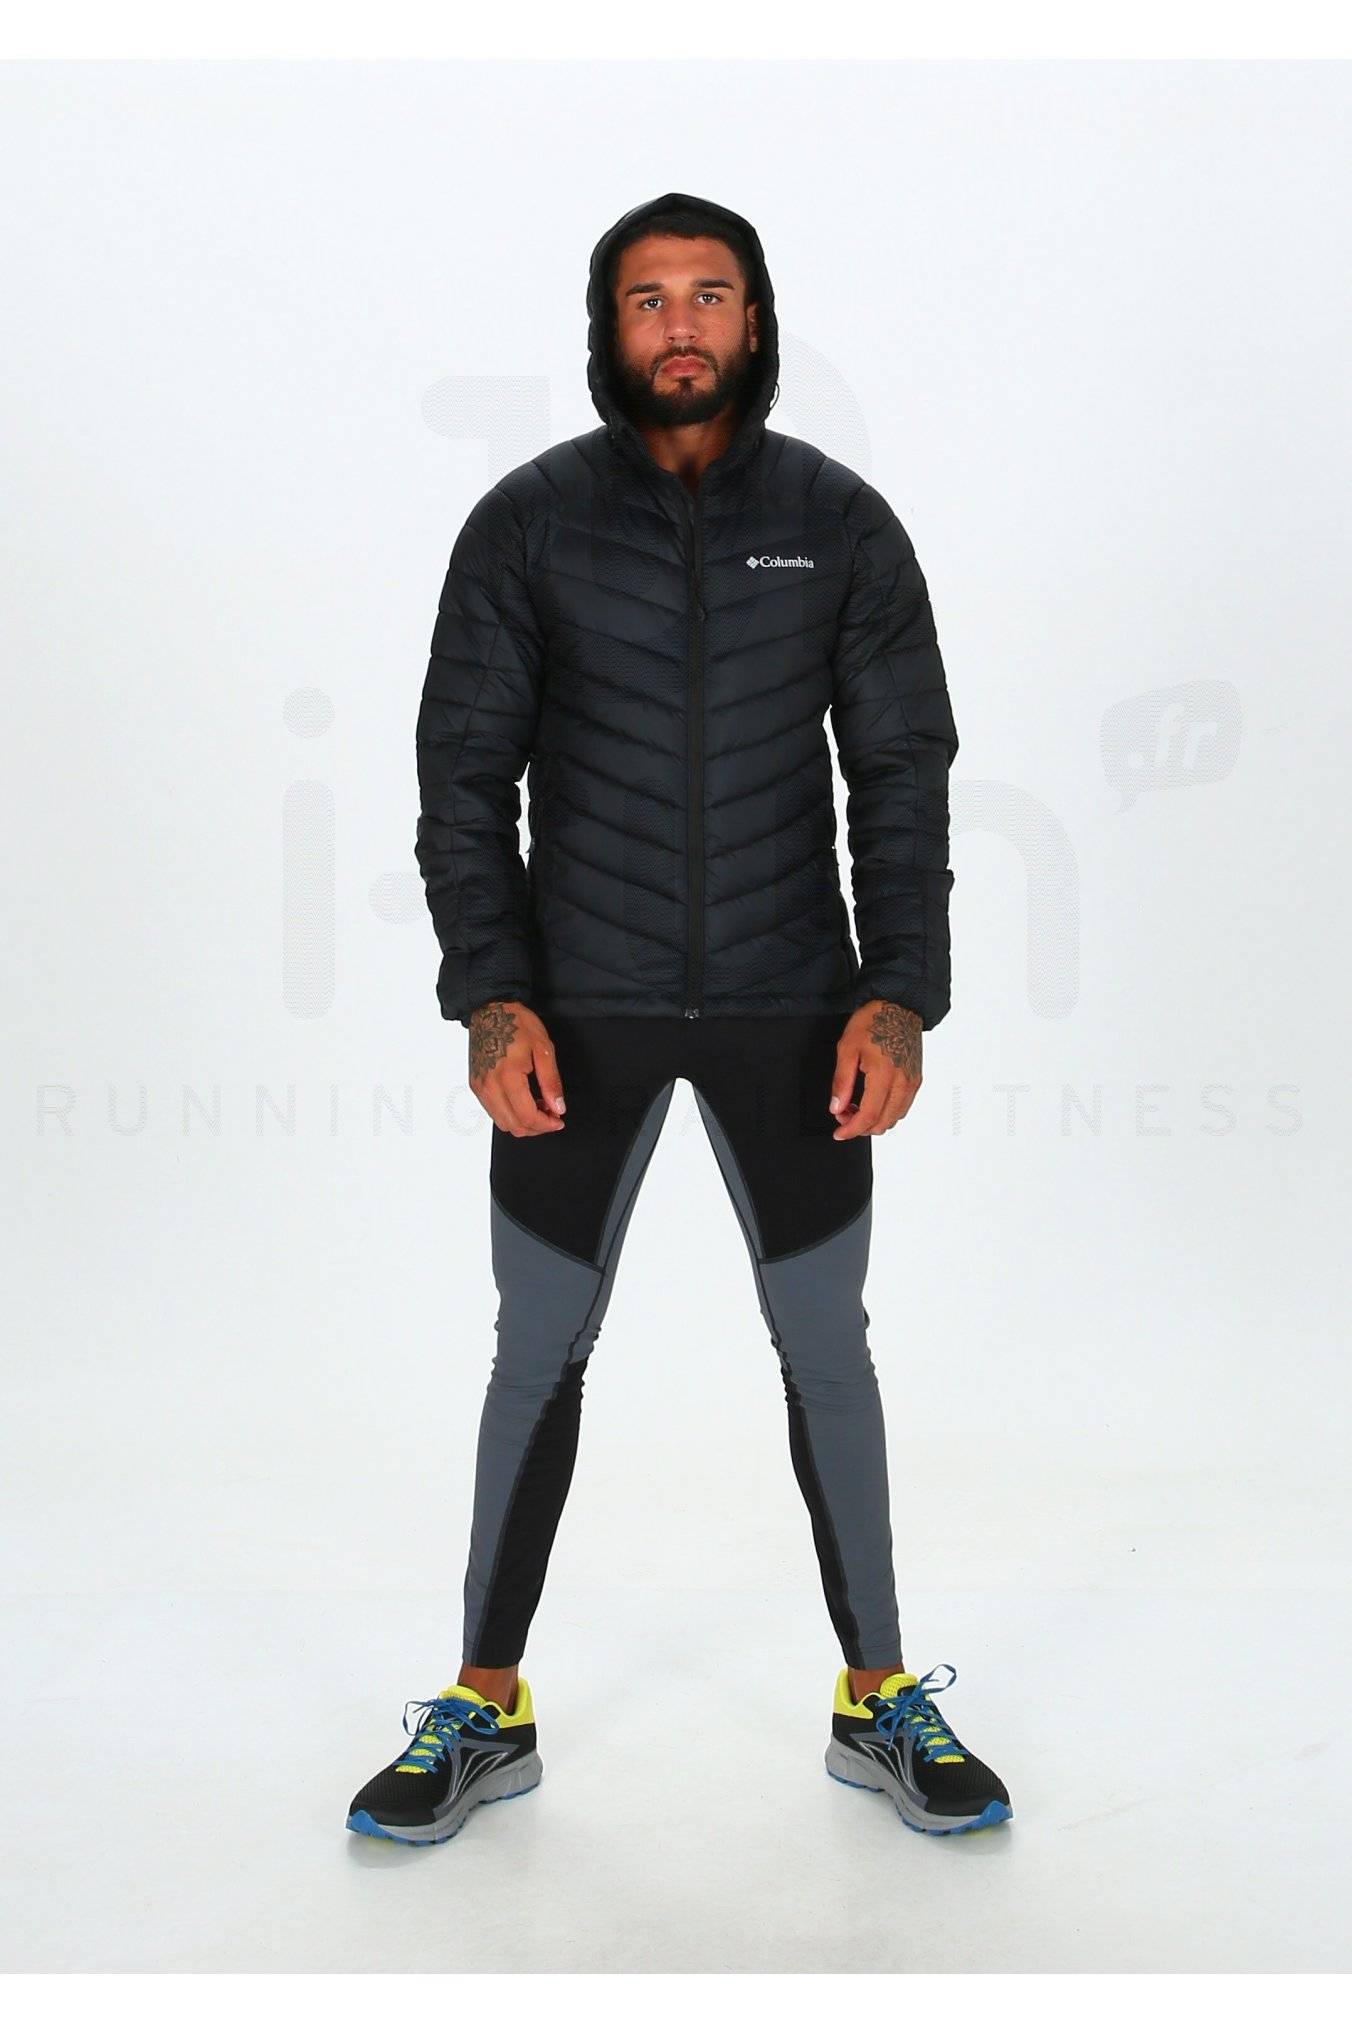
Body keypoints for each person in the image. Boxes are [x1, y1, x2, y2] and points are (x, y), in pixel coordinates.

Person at [346, 192, 1011, 1847]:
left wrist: (899, 994)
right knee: (536, 1348)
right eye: (649, 300)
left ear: (758, 320)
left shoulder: (841, 524)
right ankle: (483, 1706)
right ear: (608, 329)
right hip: (581, 1004)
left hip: (797, 999)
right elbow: (461, 780)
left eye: (711, 295)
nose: (682, 325)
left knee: (826, 1345)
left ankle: (878, 1695)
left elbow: (903, 773)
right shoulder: (527, 525)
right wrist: (493, 997)